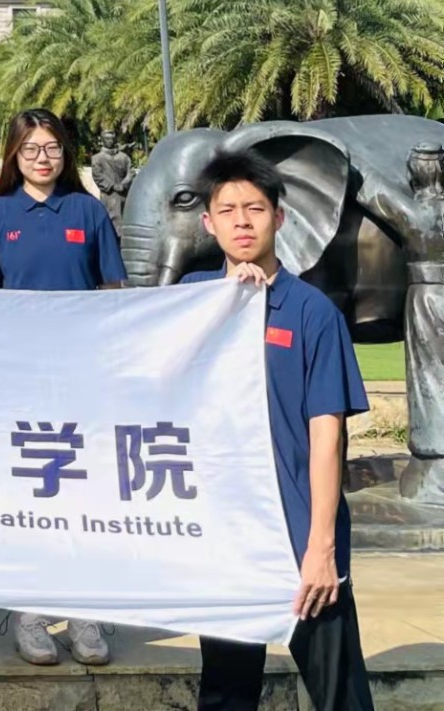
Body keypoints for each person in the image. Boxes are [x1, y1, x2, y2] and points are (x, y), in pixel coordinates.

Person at [183, 151, 373, 711]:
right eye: (228, 210)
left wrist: (321, 548)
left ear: (280, 218)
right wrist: (224, 305)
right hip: (226, 535)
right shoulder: (190, 300)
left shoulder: (313, 313)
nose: (242, 221)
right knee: (226, 692)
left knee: (339, 694)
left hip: (299, 534)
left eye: (256, 209)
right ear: (208, 223)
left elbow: (327, 437)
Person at [0, 108, 125, 667]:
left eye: (52, 147)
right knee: (27, 499)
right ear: (13, 155)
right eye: (31, 148)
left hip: (81, 381)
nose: (42, 158)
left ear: (66, 153)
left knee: (84, 495)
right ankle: (30, 613)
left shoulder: (88, 211)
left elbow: (113, 293)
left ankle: (85, 612)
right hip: (19, 383)